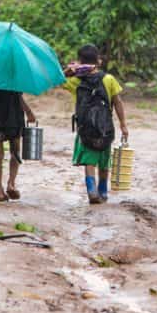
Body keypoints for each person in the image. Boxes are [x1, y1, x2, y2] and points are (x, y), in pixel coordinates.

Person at [63, 44, 128, 205]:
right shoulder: (109, 79)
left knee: (90, 161)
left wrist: (69, 70)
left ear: (80, 61)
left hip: (86, 128)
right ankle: (103, 191)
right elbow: (118, 102)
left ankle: (92, 191)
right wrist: (123, 124)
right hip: (105, 127)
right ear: (98, 60)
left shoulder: (75, 81)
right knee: (104, 161)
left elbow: (56, 79)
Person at [0, 88, 36, 202]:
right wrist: (29, 112)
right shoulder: (15, 72)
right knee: (15, 151)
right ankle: (11, 184)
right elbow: (18, 96)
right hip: (13, 115)